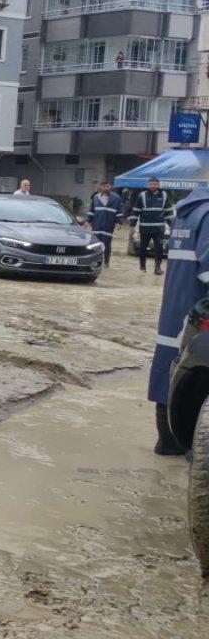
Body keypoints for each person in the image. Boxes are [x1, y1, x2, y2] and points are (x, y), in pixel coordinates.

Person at [147, 185, 209, 455]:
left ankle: (168, 442)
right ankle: (187, 448)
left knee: (172, 369)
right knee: (195, 378)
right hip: (199, 314)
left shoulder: (187, 212)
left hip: (177, 310)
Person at [130, 177, 173, 274]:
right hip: (145, 227)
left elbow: (168, 212)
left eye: (154, 184)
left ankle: (157, 268)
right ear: (148, 185)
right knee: (143, 248)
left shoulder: (164, 195)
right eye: (151, 184)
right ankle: (142, 267)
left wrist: (172, 225)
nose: (152, 186)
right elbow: (136, 211)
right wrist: (132, 226)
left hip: (159, 228)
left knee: (159, 248)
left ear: (158, 185)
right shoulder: (142, 195)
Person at [86, 180, 123, 267]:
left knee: (106, 244)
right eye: (103, 186)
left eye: (107, 186)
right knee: (95, 244)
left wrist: (119, 222)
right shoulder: (95, 197)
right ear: (100, 187)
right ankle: (95, 262)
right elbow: (91, 210)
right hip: (96, 225)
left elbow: (120, 211)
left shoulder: (116, 198)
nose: (105, 188)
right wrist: (89, 221)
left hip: (108, 225)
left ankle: (106, 262)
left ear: (110, 187)